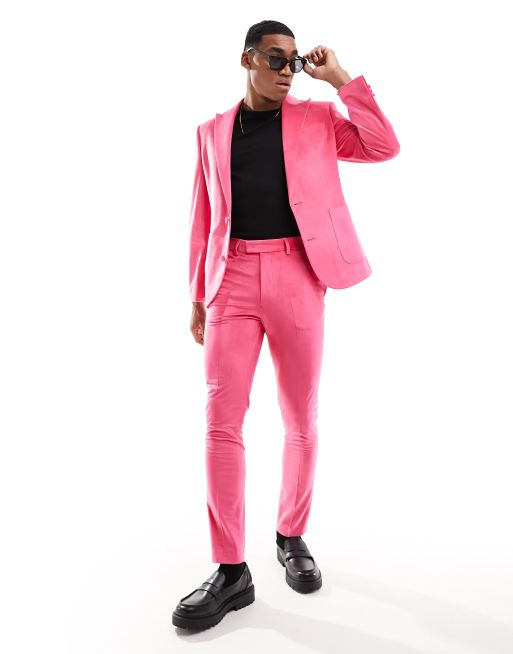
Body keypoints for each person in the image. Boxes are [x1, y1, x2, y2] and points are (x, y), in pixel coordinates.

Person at [172, 19, 400, 630]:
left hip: (300, 273)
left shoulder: (317, 120)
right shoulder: (211, 132)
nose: (288, 71)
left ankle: (291, 535)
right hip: (231, 280)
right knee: (221, 423)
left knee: (301, 416)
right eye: (276, 59)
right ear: (247, 58)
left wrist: (340, 79)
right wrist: (197, 295)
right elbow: (202, 217)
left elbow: (383, 145)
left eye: (294, 61)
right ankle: (230, 571)